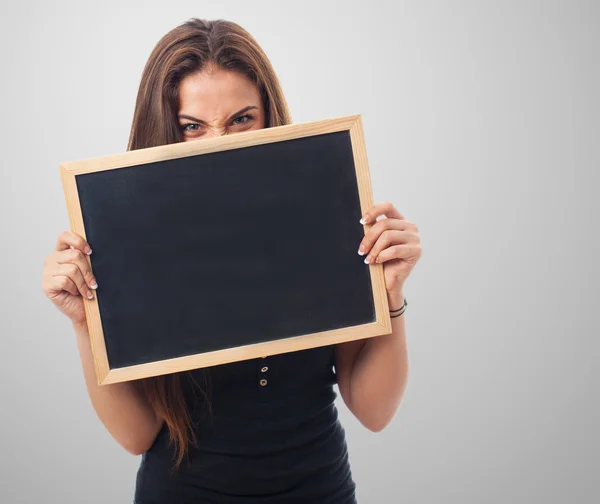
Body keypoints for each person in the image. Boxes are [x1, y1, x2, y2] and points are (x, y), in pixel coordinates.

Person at [41, 18, 421, 504]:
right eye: (193, 127)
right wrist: (84, 322)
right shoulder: (129, 239)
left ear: (269, 116)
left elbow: (374, 411)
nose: (220, 143)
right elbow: (136, 436)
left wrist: (391, 296)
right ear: (166, 132)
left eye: (242, 118)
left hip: (319, 489)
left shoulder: (323, 211)